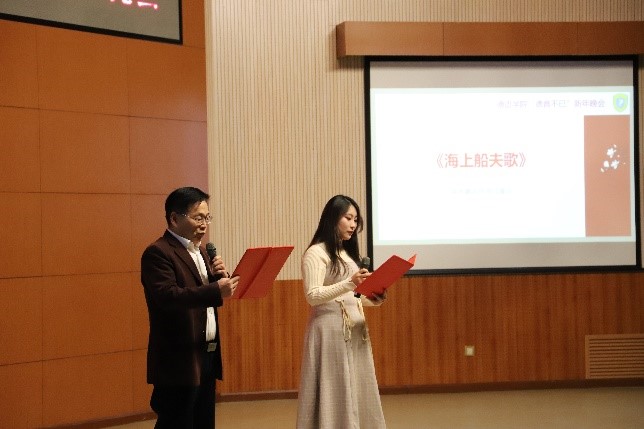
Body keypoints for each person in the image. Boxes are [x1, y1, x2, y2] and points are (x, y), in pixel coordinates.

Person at [141, 186, 239, 429]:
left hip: (205, 352)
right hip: (178, 358)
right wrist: (215, 290)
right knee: (176, 422)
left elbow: (198, 293)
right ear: (175, 218)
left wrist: (218, 279)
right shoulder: (158, 252)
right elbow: (168, 296)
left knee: (203, 421)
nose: (204, 224)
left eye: (207, 217)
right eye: (198, 218)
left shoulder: (202, 252)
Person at [296, 195, 387, 429]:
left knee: (357, 389)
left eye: (356, 219)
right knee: (334, 392)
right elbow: (313, 295)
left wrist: (373, 299)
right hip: (330, 334)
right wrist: (350, 283)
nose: (353, 224)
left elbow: (351, 298)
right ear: (333, 218)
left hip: (354, 332)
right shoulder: (316, 253)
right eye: (348, 218)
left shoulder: (346, 253)